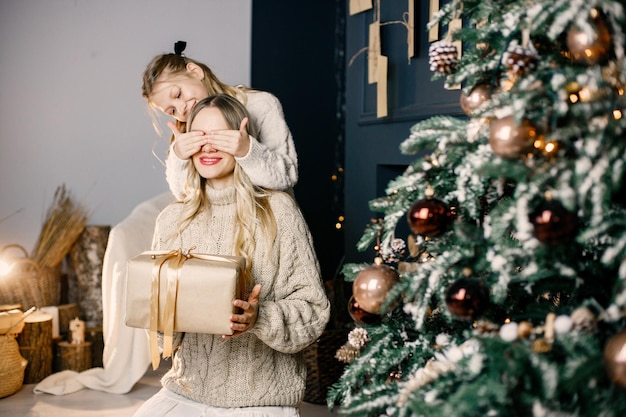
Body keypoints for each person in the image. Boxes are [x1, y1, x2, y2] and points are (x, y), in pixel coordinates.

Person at [132, 94, 330, 417]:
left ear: (242, 138)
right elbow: (162, 337)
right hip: (186, 391)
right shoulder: (171, 219)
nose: (207, 148)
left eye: (219, 137)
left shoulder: (278, 212)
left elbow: (314, 311)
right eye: (198, 137)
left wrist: (259, 317)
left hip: (261, 400)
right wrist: (155, 310)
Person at [141, 41, 298, 201]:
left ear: (195, 72)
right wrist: (179, 157)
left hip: (266, 218)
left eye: (178, 95)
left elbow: (288, 175)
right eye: (172, 111)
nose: (181, 109)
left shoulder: (260, 105)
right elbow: (184, 195)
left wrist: (247, 151)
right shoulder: (184, 134)